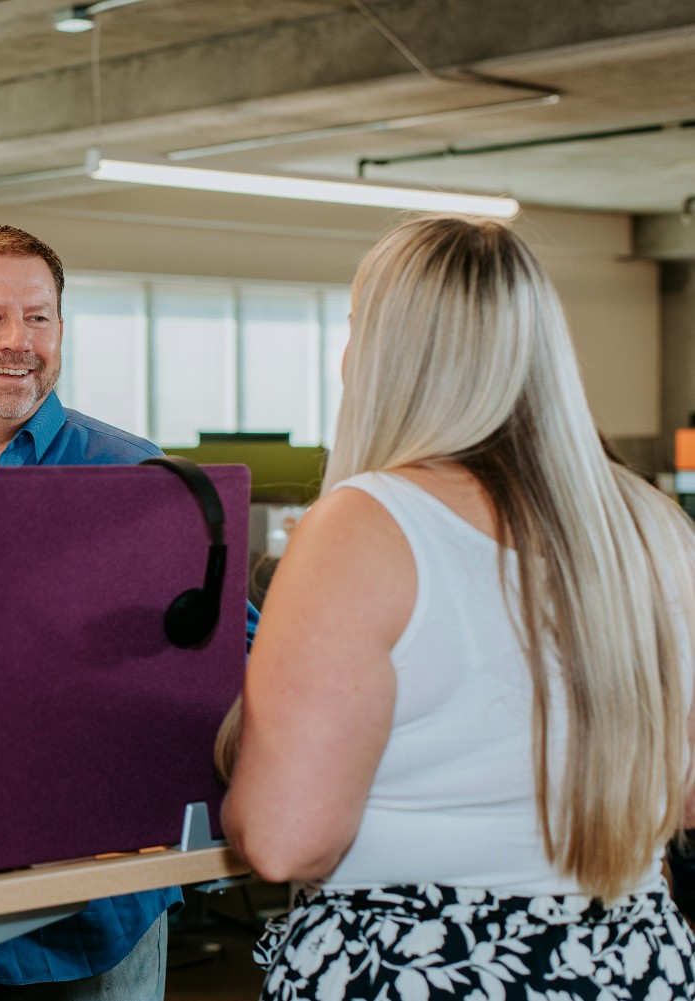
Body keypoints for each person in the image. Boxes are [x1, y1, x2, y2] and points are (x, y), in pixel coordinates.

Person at [222, 214, 695, 999]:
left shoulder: (366, 525)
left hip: (425, 964)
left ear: (385, 354)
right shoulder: (653, 527)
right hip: (630, 959)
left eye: (354, 329)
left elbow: (283, 842)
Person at [0, 224, 258, 999]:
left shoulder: (135, 474)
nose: (17, 341)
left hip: (94, 904)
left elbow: (231, 640)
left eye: (38, 317)